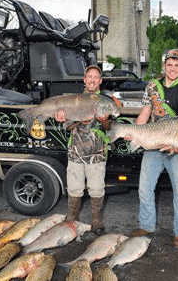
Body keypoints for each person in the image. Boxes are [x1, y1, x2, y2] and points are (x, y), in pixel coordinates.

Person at [130, 49, 178, 249]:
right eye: (170, 64)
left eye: (177, 65)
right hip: (154, 146)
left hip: (177, 150)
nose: (173, 68)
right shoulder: (153, 86)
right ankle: (146, 225)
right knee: (144, 189)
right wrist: (134, 131)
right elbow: (145, 112)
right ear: (164, 66)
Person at [54, 65, 113, 235]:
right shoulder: (75, 100)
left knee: (96, 189)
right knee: (74, 189)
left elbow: (111, 128)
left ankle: (96, 222)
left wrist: (103, 121)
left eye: (96, 76)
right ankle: (71, 219)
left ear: (100, 81)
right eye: (89, 76)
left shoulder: (106, 101)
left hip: (98, 155)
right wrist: (64, 119)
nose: (92, 79)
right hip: (76, 154)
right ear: (84, 80)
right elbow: (69, 127)